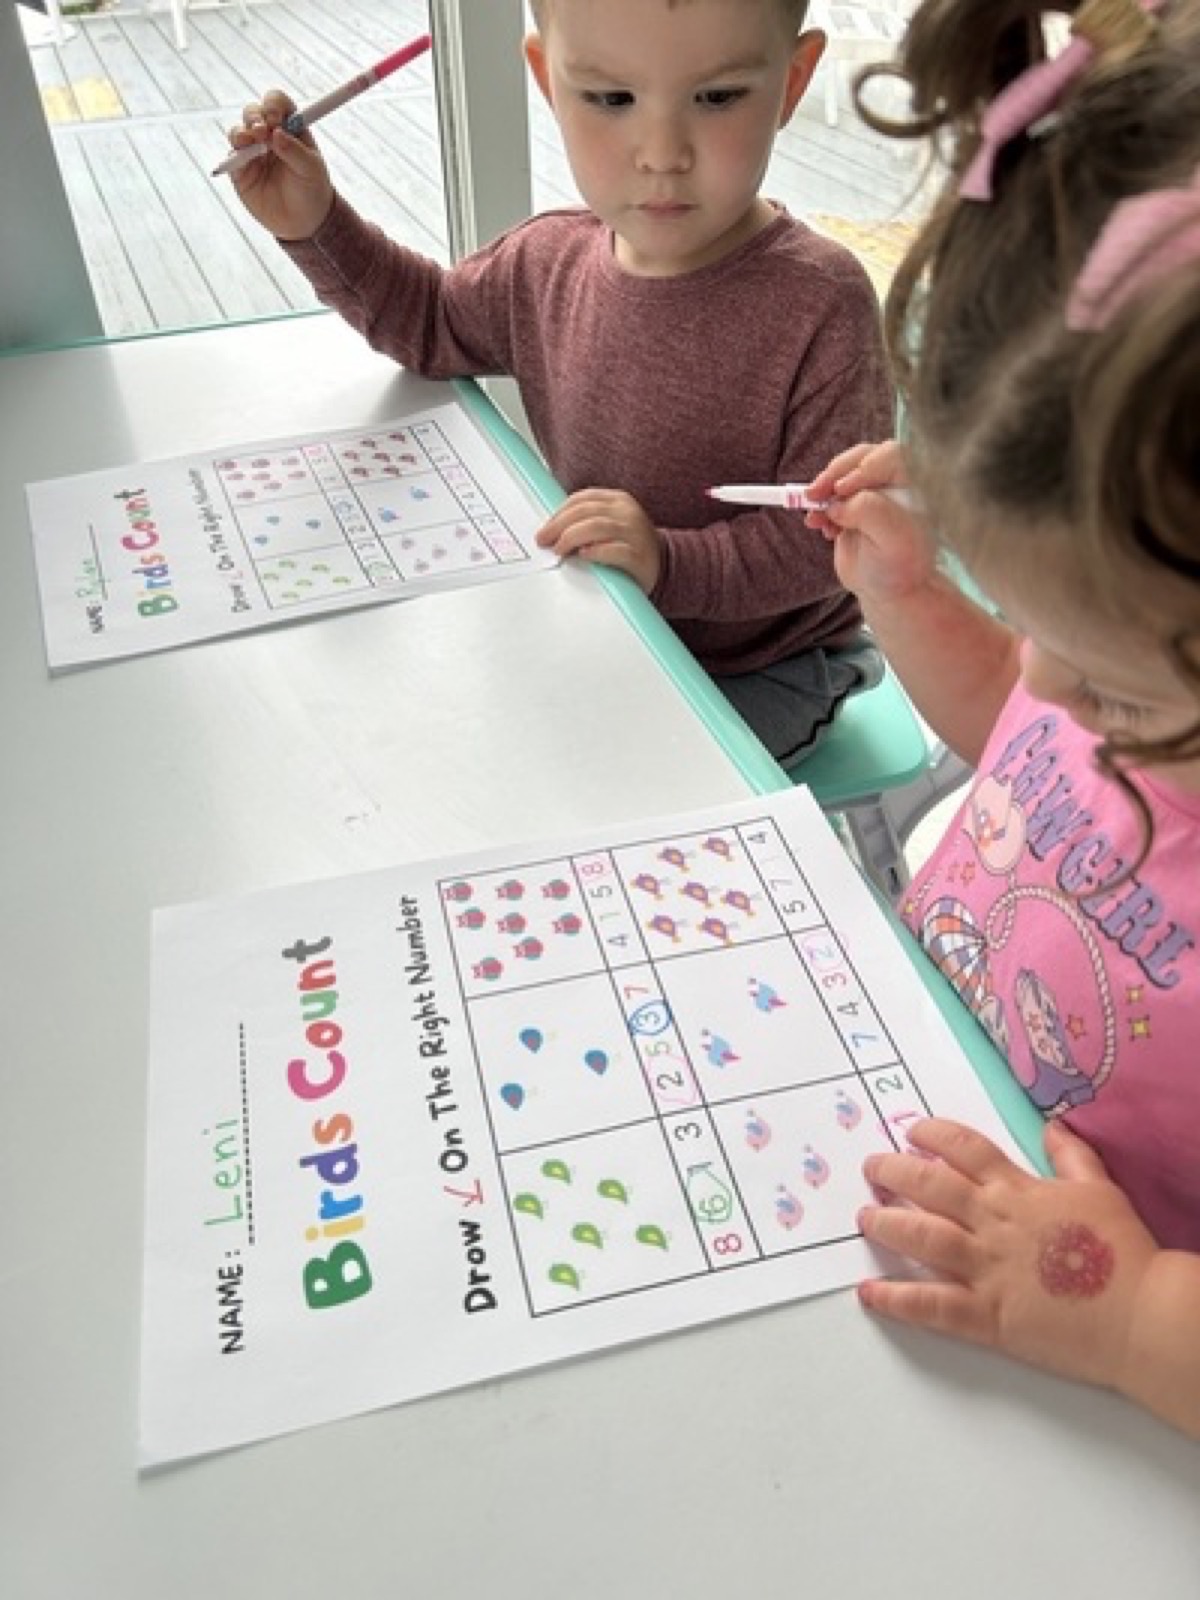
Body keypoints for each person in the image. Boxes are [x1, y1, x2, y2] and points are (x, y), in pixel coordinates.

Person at [802, 0, 1200, 1436]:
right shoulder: (1123, 661)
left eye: (1120, 685)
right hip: (921, 1128)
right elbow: (1029, 757)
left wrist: (1132, 1312)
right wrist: (915, 599)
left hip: (1082, 1381)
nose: (1045, 688)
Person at [224, 0, 893, 765]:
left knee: (586, 787)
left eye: (717, 96)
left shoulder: (820, 301)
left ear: (793, 80)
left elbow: (828, 539)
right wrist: (315, 224)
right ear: (548, 79)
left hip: (762, 666)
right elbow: (429, 322)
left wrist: (667, 564)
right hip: (606, 621)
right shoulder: (546, 264)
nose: (662, 152)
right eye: (611, 99)